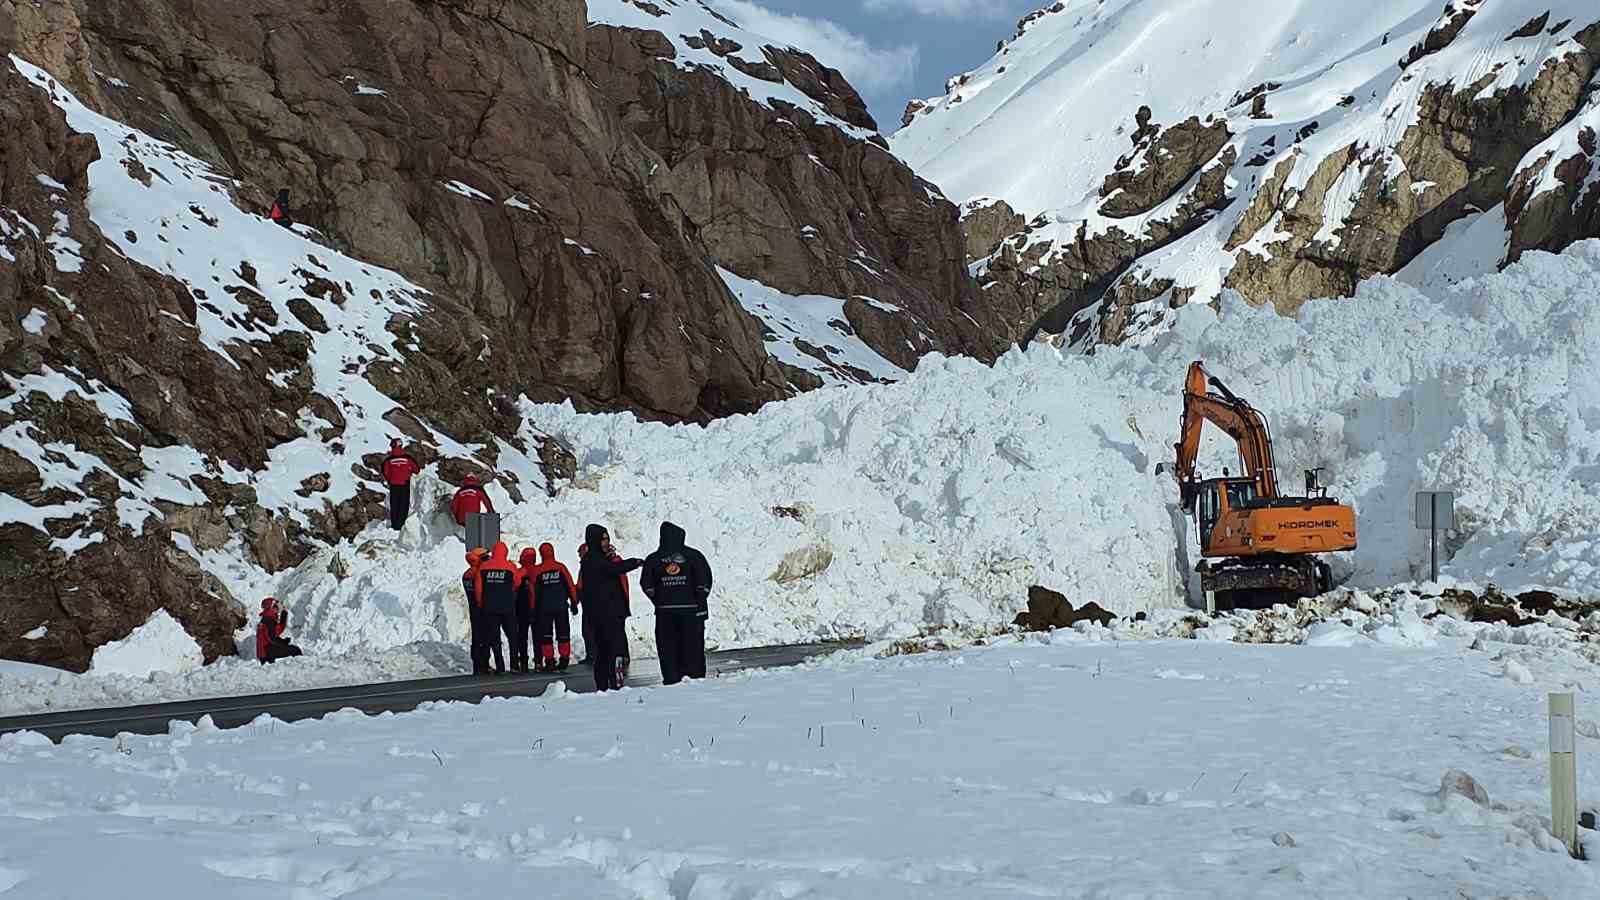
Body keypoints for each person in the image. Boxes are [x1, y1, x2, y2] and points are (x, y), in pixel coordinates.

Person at [641, 521, 713, 685]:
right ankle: (695, 678)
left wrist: (658, 600)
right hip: (691, 612)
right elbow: (705, 580)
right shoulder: (694, 556)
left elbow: (646, 584)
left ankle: (671, 678)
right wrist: (699, 599)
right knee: (693, 646)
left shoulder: (653, 559)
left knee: (667, 648)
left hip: (665, 613)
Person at [578, 524, 642, 691]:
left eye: (608, 539)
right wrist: (635, 562)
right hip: (604, 615)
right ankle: (613, 685)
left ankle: (606, 686)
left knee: (607, 652)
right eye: (603, 539)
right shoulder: (593, 560)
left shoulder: (598, 559)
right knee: (611, 652)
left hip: (609, 613)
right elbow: (614, 569)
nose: (606, 543)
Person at [577, 539, 632, 668]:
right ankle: (598, 654)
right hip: (601, 602)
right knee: (596, 630)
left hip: (610, 603)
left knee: (614, 630)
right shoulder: (591, 564)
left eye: (581, 553)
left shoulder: (608, 563)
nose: (580, 556)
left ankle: (619, 655)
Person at [525, 543, 578, 672]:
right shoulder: (560, 568)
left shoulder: (537, 571)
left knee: (546, 635)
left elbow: (532, 592)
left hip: (544, 609)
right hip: (561, 607)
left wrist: (532, 609)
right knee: (563, 633)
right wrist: (574, 602)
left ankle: (549, 661)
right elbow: (570, 585)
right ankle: (564, 658)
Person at [474, 541, 522, 675]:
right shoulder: (510, 566)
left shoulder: (483, 567)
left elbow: (478, 588)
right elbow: (517, 582)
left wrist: (480, 603)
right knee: (513, 636)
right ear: (505, 553)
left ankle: (500, 666)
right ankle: (514, 665)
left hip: (489, 608)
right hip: (507, 607)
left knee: (495, 638)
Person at [381, 438, 421, 530]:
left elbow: (385, 471)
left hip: (393, 485)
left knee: (394, 504)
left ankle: (395, 525)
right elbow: (416, 469)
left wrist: (390, 479)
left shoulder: (388, 460)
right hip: (405, 483)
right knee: (404, 504)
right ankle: (402, 525)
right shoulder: (407, 458)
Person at [462, 547, 490, 674]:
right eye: (485, 557)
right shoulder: (480, 574)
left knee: (476, 637)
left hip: (472, 608)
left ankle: (476, 664)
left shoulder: (466, 575)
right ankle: (484, 663)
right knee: (485, 636)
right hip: (482, 608)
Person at [256, 597, 302, 663]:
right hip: (268, 651)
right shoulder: (269, 620)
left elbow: (272, 635)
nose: (277, 609)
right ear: (270, 608)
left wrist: (283, 641)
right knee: (296, 650)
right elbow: (272, 638)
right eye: (275, 607)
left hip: (264, 652)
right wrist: (283, 644)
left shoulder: (265, 618)